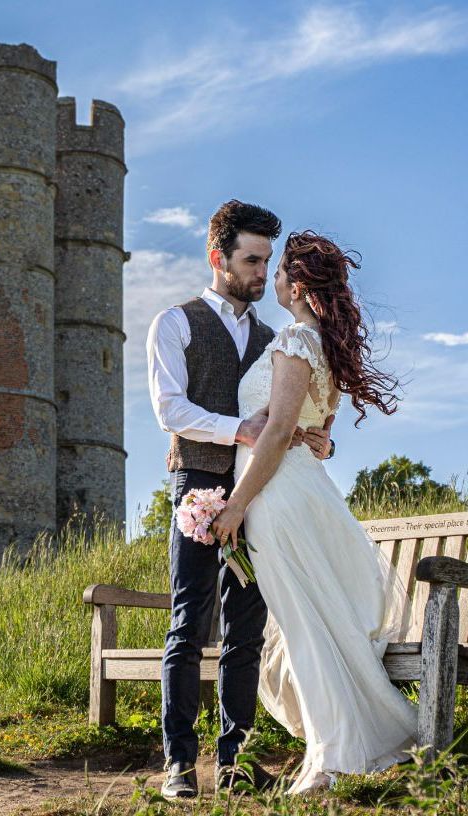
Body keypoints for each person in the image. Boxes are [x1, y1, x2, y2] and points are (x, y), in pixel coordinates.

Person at [212, 229, 417, 794]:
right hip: (301, 487)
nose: (271, 277)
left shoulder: (297, 339)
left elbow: (278, 432)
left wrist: (235, 505)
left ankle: (330, 760)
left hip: (278, 496)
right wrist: (316, 440)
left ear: (296, 284)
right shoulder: (319, 344)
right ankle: (336, 746)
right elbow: (316, 434)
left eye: (278, 271)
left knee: (304, 626)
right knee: (308, 622)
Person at [146, 201, 334, 800]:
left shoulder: (275, 338)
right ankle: (179, 764)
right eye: (251, 261)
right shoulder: (174, 323)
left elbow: (287, 410)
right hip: (198, 486)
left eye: (266, 261)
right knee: (187, 627)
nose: (262, 272)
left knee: (246, 633)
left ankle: (235, 761)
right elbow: (169, 409)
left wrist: (311, 434)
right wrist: (239, 430)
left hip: (262, 497)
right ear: (217, 258)